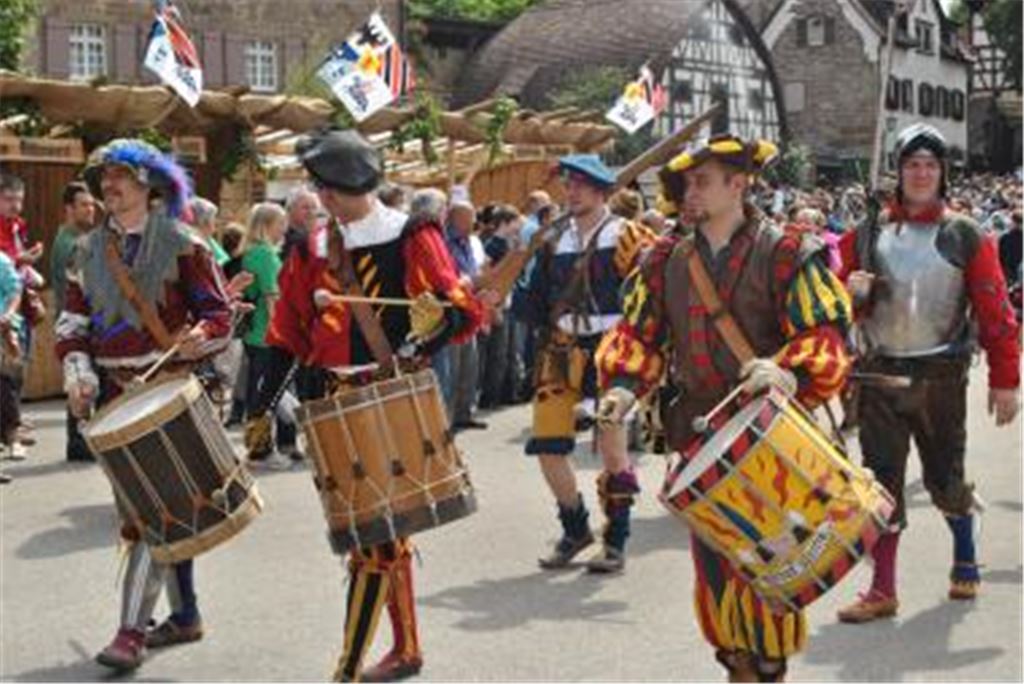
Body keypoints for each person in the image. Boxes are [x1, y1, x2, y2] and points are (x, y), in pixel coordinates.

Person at [595, 134, 853, 681]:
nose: (688, 192)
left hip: (771, 433)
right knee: (714, 565)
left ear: (739, 184)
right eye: (687, 183)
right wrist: (622, 387)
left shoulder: (786, 251)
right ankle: (736, 663)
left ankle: (766, 667)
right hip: (699, 433)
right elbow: (639, 335)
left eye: (702, 181)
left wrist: (788, 372)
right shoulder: (663, 259)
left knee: (770, 564)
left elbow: (825, 333)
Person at [248, 128, 486, 681]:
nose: (321, 199)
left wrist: (431, 327)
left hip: (390, 396)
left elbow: (459, 309)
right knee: (383, 533)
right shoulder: (311, 248)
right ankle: (406, 649)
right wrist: (261, 407)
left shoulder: (409, 233)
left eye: (326, 189)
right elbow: (287, 333)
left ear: (346, 187)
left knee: (372, 542)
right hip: (334, 401)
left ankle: (347, 670)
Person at [55, 139, 233, 671]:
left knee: (150, 516)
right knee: (157, 510)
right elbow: (72, 323)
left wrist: (202, 337)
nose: (109, 184)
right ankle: (186, 614)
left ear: (149, 185)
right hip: (114, 396)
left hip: (168, 390)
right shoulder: (86, 250)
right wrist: (77, 371)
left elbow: (220, 315)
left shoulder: (185, 243)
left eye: (121, 175)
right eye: (104, 177)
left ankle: (131, 632)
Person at [835, 123, 1021, 622]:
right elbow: (831, 302)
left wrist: (1005, 380)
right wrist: (850, 293)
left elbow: (996, 312)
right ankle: (882, 589)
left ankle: (965, 547)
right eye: (912, 165)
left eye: (930, 165)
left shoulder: (964, 233)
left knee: (944, 481)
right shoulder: (868, 233)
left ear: (942, 174)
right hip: (879, 373)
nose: (921, 173)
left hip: (940, 376)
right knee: (881, 484)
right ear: (898, 172)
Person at [517, 154, 655, 574]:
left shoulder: (628, 236)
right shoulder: (554, 238)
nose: (571, 191)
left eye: (580, 184)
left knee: (612, 449)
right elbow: (535, 298)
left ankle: (615, 541)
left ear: (601, 189)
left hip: (612, 352)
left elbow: (651, 297)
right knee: (547, 445)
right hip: (562, 349)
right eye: (568, 184)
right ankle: (575, 529)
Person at [240, 202, 298, 467]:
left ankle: (267, 446)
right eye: (281, 223)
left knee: (266, 394)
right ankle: (260, 451)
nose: (285, 228)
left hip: (260, 335)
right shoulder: (264, 254)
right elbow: (273, 297)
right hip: (266, 337)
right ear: (266, 225)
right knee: (266, 397)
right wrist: (284, 334)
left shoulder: (256, 252)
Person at [50, 181, 97, 462]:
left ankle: (80, 441)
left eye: (92, 204)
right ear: (69, 209)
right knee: (81, 379)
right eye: (84, 205)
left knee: (81, 379)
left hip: (75, 319)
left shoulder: (72, 238)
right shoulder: (71, 244)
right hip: (76, 320)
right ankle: (78, 443)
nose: (91, 209)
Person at [445, 191, 488, 431]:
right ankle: (450, 417)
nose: (474, 222)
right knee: (453, 365)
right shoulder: (445, 242)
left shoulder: (468, 241)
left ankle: (465, 413)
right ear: (456, 218)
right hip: (453, 310)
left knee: (469, 365)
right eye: (470, 218)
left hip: (470, 306)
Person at [0, 249, 26, 471]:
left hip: (2, 329)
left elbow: (15, 290)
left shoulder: (1, 261)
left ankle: (14, 437)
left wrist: (8, 315)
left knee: (6, 386)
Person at [187, 197, 230, 267]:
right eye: (213, 218)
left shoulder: (208, 239)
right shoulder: (193, 243)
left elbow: (225, 260)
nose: (216, 222)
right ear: (203, 222)